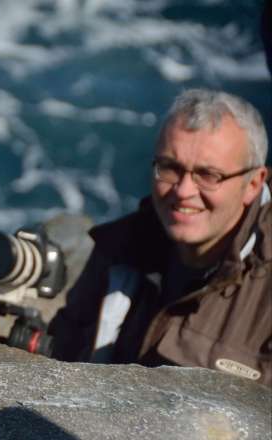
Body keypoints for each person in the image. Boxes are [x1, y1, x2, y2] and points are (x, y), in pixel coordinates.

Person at [48, 89, 271, 387]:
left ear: (253, 184)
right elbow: (61, 360)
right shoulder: (117, 249)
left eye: (208, 175)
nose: (183, 191)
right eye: (170, 167)